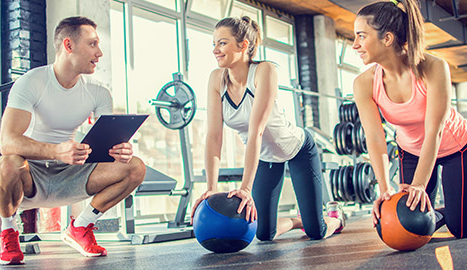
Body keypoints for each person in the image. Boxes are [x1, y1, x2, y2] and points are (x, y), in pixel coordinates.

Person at [0, 16, 146, 265]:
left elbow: (104, 146)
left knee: (134, 167)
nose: (99, 53)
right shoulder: (31, 82)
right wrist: (56, 151)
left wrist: (119, 150)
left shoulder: (98, 92)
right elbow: (7, 143)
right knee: (6, 164)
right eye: (93, 44)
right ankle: (9, 231)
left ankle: (81, 226)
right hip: (29, 176)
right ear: (68, 45)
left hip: (70, 173)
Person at [191, 16, 345, 242]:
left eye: (222, 43)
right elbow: (214, 137)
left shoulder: (265, 71)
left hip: (298, 149)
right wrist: (211, 188)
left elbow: (257, 131)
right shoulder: (216, 79)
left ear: (243, 45)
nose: (215, 49)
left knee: (316, 232)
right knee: (263, 233)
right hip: (266, 157)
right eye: (214, 44)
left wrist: (245, 188)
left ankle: (337, 217)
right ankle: (296, 221)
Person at [353, 0, 467, 239]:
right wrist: (384, 189)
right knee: (409, 224)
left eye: (361, 36)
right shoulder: (364, 83)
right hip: (411, 151)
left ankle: (457, 212)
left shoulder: (433, 67)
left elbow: (434, 131)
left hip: (456, 148)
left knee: (460, 229)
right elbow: (375, 138)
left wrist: (418, 184)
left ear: (387, 38)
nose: (355, 45)